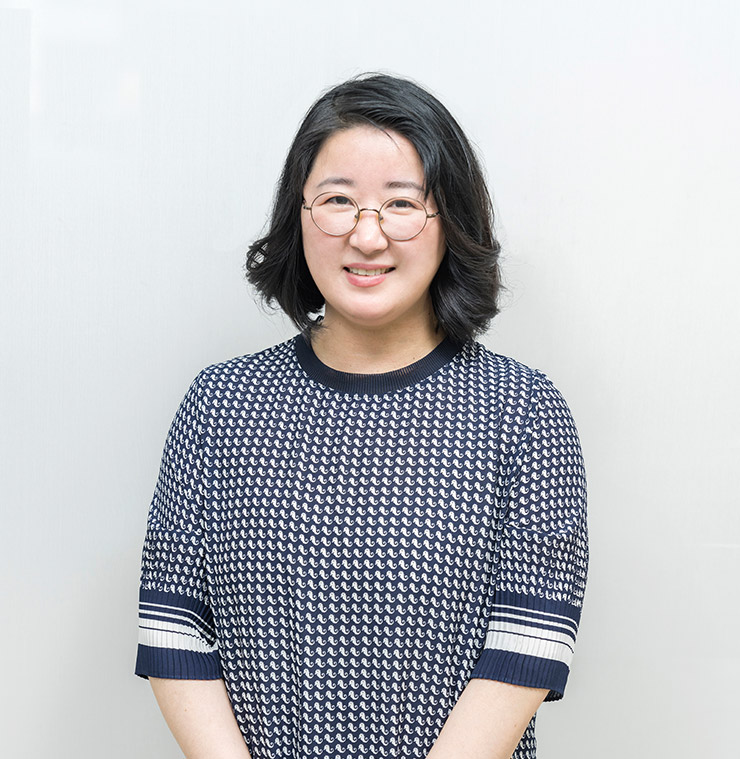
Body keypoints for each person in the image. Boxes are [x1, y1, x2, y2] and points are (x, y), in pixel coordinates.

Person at [135, 73, 588, 759]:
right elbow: (173, 629)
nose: (366, 235)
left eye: (401, 203)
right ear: (299, 215)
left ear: (450, 223)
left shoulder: (524, 413)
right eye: (338, 200)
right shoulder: (219, 406)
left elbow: (527, 643)